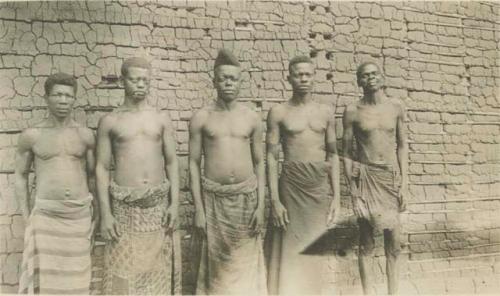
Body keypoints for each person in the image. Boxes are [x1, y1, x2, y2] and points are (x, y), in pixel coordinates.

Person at [96, 57, 181, 295]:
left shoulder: (160, 119)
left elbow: (173, 162)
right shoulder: (110, 121)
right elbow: (101, 168)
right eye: (134, 80)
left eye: (145, 80)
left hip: (158, 207)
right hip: (124, 209)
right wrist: (106, 214)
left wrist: (174, 204)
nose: (140, 85)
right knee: (124, 270)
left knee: (157, 272)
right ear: (123, 81)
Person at [189, 49, 267, 294]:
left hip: (247, 200)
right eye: (223, 78)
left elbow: (260, 163)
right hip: (215, 203)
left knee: (245, 264)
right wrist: (199, 209)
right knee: (218, 266)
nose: (228, 83)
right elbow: (192, 163)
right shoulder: (202, 118)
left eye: (233, 79)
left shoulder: (252, 118)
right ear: (214, 81)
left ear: (241, 82)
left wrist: (261, 206)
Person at [265, 55, 341, 295]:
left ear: (314, 77)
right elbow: (270, 157)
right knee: (289, 250)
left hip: (318, 189)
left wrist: (337, 198)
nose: (304, 79)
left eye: (308, 74)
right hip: (291, 187)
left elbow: (334, 155)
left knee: (315, 249)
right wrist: (275, 201)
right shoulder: (278, 113)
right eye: (298, 74)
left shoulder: (326, 112)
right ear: (289, 78)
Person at [16, 73, 95, 294]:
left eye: (68, 96)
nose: (63, 100)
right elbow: (20, 175)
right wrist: (25, 216)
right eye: (57, 95)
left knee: (78, 280)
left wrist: (96, 211)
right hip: (46, 217)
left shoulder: (85, 135)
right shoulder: (32, 135)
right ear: (46, 98)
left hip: (78, 216)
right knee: (47, 284)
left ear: (74, 99)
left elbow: (93, 176)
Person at [342, 62, 407, 294]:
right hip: (366, 179)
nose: (370, 78)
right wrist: (354, 193)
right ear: (359, 81)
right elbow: (347, 153)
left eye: (374, 74)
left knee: (394, 244)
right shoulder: (352, 111)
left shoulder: (396, 107)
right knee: (367, 243)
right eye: (364, 76)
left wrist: (405, 184)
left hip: (390, 178)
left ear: (382, 77)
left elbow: (402, 145)